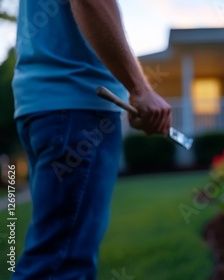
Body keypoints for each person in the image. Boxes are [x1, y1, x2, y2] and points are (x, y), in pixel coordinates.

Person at [12, 0, 171, 279]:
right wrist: (139, 88)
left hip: (43, 106)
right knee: (59, 264)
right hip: (77, 109)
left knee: (53, 249)